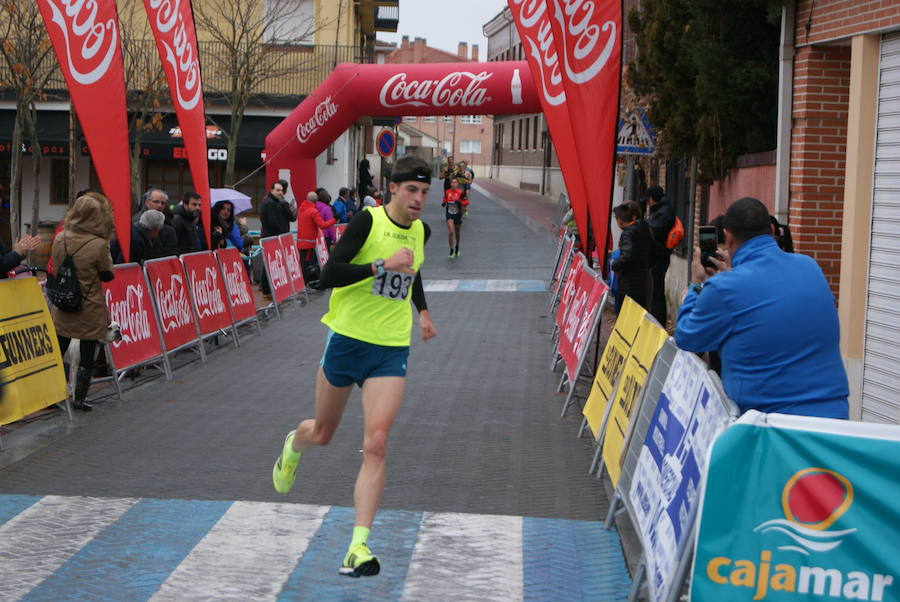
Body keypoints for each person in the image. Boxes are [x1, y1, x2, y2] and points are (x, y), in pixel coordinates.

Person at [271, 155, 437, 578]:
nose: (419, 199)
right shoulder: (366, 221)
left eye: (424, 192)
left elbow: (412, 271)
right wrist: (380, 265)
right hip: (346, 340)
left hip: (390, 347)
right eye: (411, 190)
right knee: (323, 434)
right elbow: (328, 275)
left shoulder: (421, 230)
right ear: (393, 189)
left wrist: (422, 312)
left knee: (377, 442)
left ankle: (358, 546)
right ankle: (294, 443)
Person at [675, 197, 849, 419]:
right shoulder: (809, 266)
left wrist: (695, 285)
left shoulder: (723, 288)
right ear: (771, 230)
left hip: (770, 427)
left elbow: (687, 337)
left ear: (727, 237)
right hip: (832, 417)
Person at [50, 193, 115, 411]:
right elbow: (107, 274)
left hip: (64, 303)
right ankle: (79, 398)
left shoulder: (60, 238)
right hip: (89, 304)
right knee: (87, 354)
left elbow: (57, 266)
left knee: (58, 350)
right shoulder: (98, 244)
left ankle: (51, 394)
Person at [610, 202, 653, 313]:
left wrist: (615, 265)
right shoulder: (644, 229)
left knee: (625, 315)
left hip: (629, 282)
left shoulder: (628, 233)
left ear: (620, 221)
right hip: (641, 280)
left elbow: (627, 254)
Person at [644, 185, 675, 326]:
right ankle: (656, 321)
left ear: (652, 199)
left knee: (656, 291)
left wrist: (643, 226)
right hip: (657, 256)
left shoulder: (664, 212)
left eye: (648, 199)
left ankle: (658, 323)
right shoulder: (661, 210)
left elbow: (653, 231)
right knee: (654, 290)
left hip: (659, 256)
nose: (647, 202)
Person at [297, 191, 336, 284]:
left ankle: (303, 282)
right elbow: (322, 225)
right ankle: (306, 283)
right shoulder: (313, 211)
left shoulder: (301, 209)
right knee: (307, 264)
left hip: (300, 240)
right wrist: (334, 220)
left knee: (302, 262)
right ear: (316, 201)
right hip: (309, 242)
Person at [133, 188, 178, 257]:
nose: (159, 205)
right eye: (156, 202)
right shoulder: (137, 222)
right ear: (147, 203)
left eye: (162, 203)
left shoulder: (169, 219)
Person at [442, 178, 465, 258]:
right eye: (452, 182)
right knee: (451, 232)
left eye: (455, 182)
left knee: (457, 233)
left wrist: (460, 203)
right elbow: (445, 199)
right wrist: (444, 202)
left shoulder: (460, 193)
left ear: (457, 184)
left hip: (458, 215)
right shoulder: (447, 192)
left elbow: (464, 204)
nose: (454, 184)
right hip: (449, 214)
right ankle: (451, 250)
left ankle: (457, 246)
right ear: (450, 184)